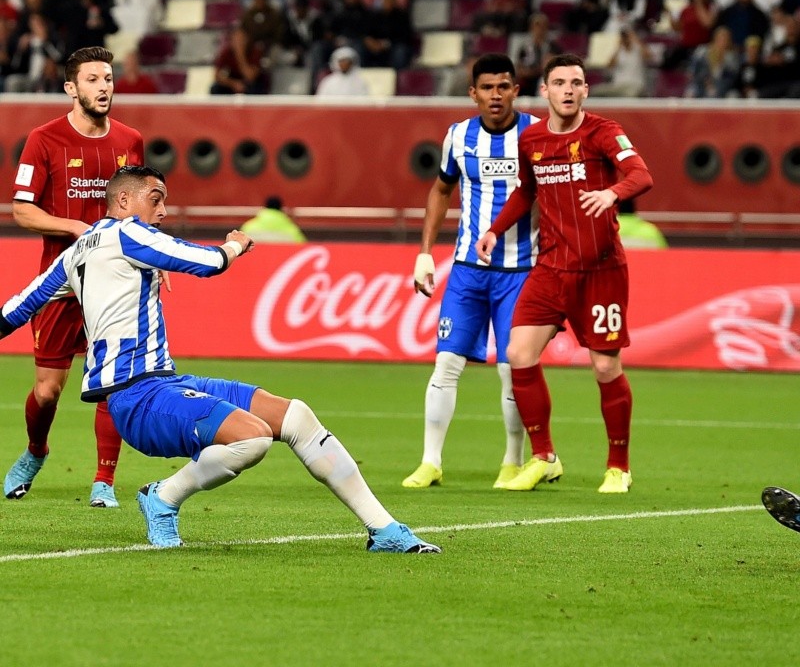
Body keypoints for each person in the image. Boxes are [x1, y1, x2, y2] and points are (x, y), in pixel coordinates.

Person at [0, 166, 440, 554]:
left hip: (161, 384)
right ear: (123, 200)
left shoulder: (76, 252)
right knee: (252, 439)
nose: (163, 211)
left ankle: (384, 529)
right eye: (155, 199)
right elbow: (208, 263)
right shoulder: (128, 233)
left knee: (296, 417)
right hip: (136, 397)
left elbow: (17, 307)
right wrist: (234, 245)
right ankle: (163, 497)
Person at [476, 53, 654, 494]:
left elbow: (641, 174)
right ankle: (544, 457)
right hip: (551, 268)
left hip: (600, 271)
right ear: (546, 91)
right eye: (560, 82)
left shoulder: (604, 132)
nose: (568, 90)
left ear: (586, 90)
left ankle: (618, 466)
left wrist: (612, 193)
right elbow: (526, 192)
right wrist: (495, 231)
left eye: (576, 82)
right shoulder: (532, 140)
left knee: (604, 366)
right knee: (518, 353)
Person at [4, 45, 144, 509]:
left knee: (113, 382)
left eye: (108, 78)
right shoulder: (43, 140)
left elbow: (144, 210)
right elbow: (21, 210)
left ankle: (104, 480)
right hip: (60, 279)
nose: (104, 87)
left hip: (117, 282)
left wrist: (155, 260)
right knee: (47, 390)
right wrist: (73, 228)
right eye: (92, 80)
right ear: (71, 88)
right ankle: (35, 450)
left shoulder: (130, 141)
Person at [403, 53, 539, 490]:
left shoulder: (537, 134)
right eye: (487, 88)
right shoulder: (458, 137)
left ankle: (513, 461)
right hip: (467, 270)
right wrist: (425, 253)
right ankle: (430, 461)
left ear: (516, 90)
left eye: (504, 87)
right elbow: (442, 189)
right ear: (473, 93)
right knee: (445, 363)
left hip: (521, 269)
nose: (495, 96)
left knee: (511, 368)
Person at [240, 196, 307, 243]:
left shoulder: (248, 227)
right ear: (281, 209)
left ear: (265, 207)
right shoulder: (292, 230)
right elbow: (302, 248)